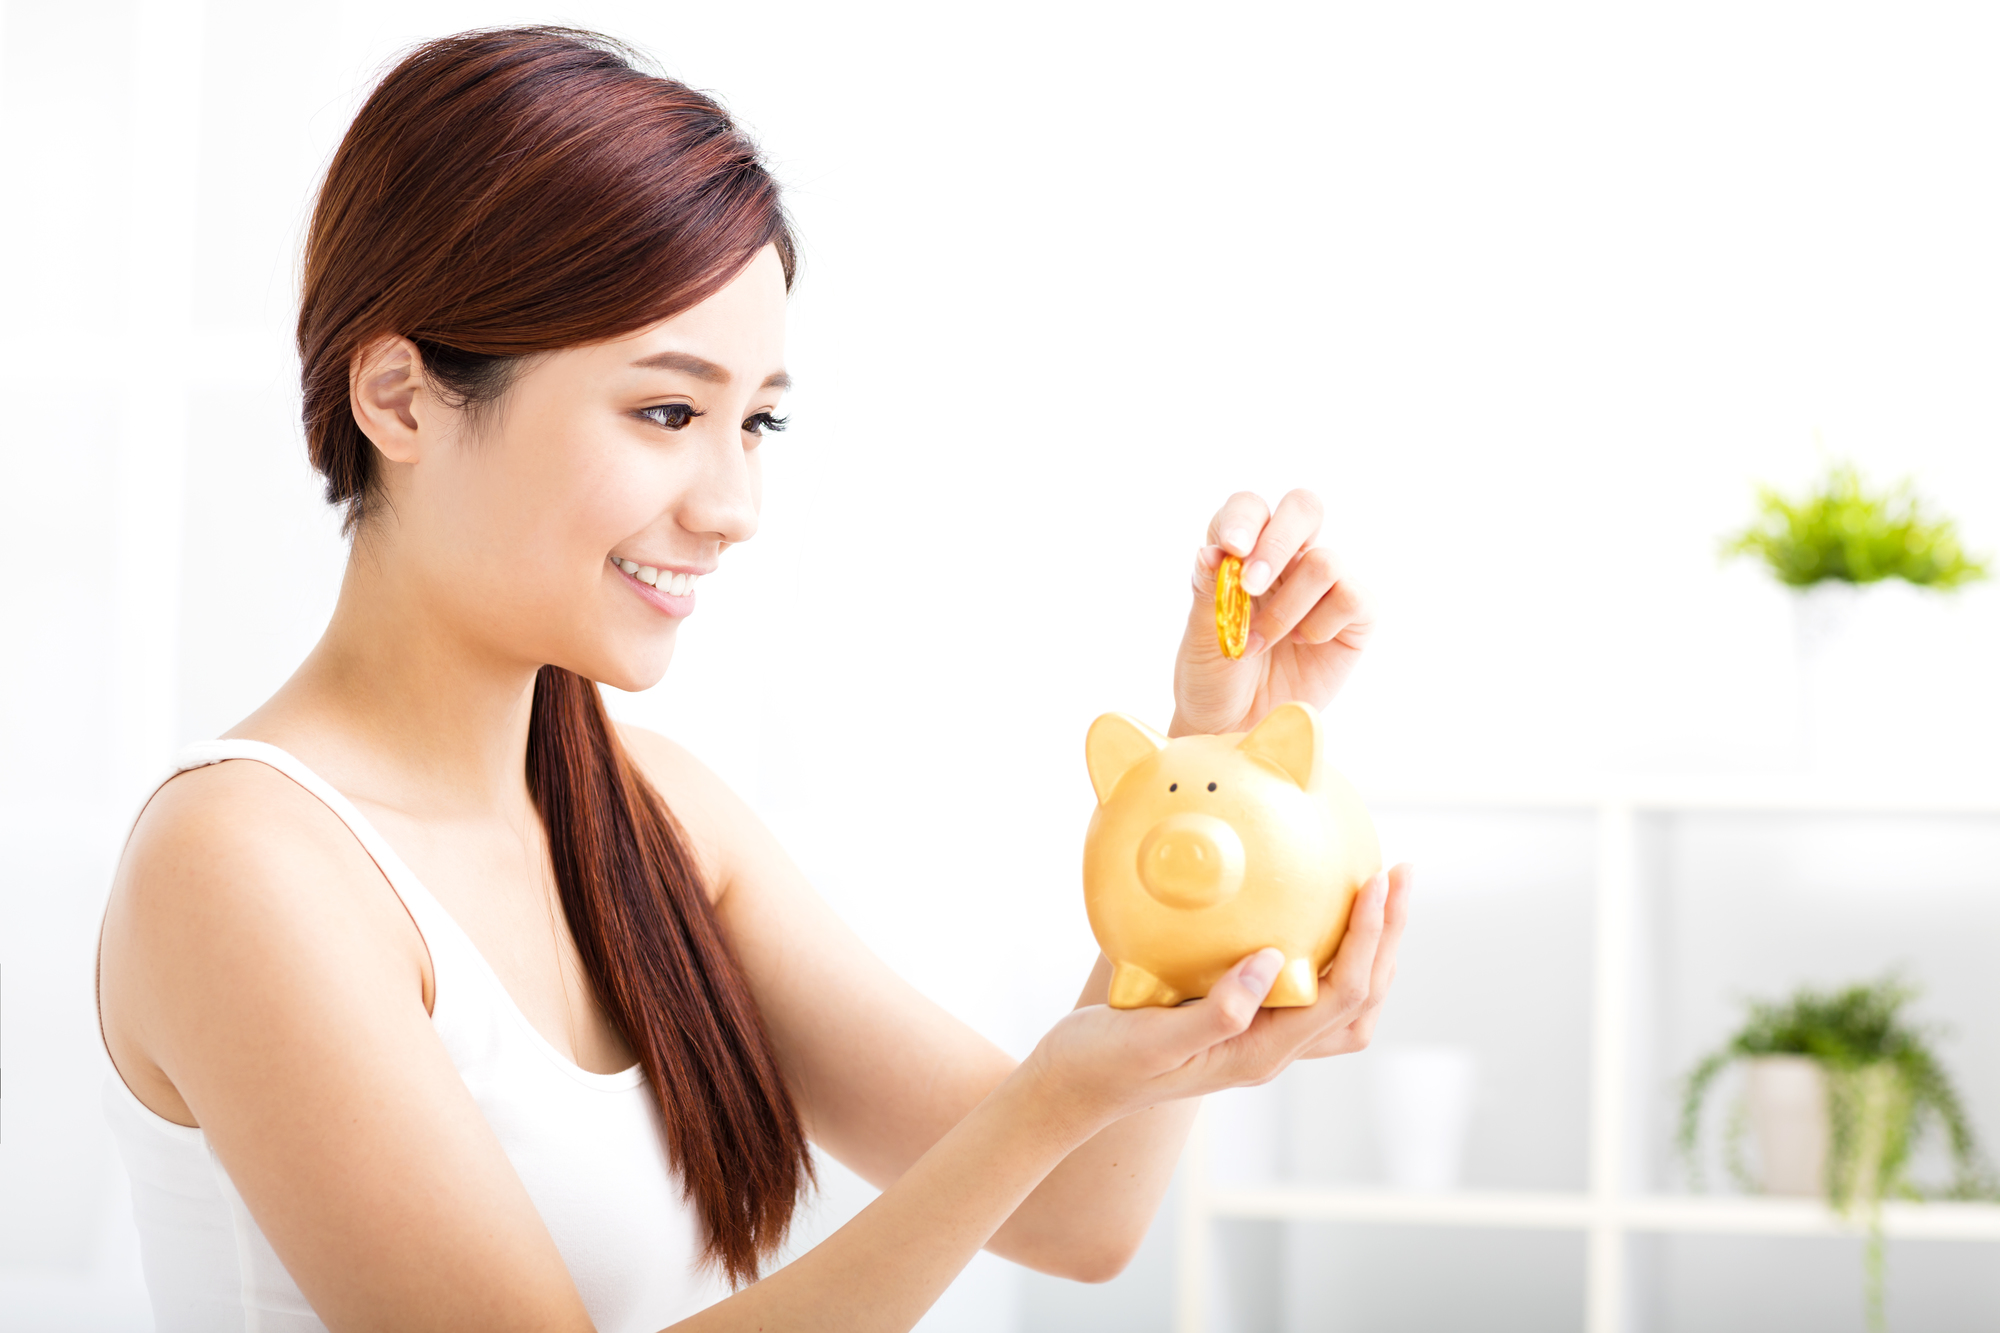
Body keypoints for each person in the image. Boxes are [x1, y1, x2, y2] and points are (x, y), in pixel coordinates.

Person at [94, 25, 1413, 1333]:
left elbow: (1076, 1215)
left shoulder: (653, 816)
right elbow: (1042, 1147)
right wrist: (1047, 1098)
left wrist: (1215, 756)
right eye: (668, 411)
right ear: (400, 398)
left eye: (757, 421)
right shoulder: (244, 861)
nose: (734, 505)